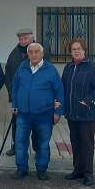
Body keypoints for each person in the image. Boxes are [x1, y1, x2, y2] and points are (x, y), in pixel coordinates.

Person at [11, 43, 64, 181]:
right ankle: (21, 168)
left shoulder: (50, 69)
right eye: (31, 52)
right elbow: (15, 86)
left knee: (42, 144)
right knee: (20, 142)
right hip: (23, 114)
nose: (34, 55)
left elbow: (59, 91)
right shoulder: (22, 67)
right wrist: (15, 105)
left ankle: (41, 169)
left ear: (42, 53)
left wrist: (58, 112)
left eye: (37, 52)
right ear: (28, 54)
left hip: (44, 114)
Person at [61, 38, 95, 187]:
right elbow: (63, 88)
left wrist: (88, 100)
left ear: (84, 50)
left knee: (86, 145)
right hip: (72, 113)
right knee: (75, 143)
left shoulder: (92, 68)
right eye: (73, 49)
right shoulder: (68, 68)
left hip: (87, 114)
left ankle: (88, 174)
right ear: (70, 52)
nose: (76, 51)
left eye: (79, 49)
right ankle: (78, 170)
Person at [4, 27, 35, 156]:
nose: (23, 41)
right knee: (17, 124)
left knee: (36, 126)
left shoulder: (40, 51)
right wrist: (12, 92)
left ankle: (37, 148)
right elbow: (8, 74)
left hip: (36, 98)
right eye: (21, 39)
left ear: (32, 38)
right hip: (19, 98)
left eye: (25, 38)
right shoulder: (14, 53)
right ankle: (17, 146)